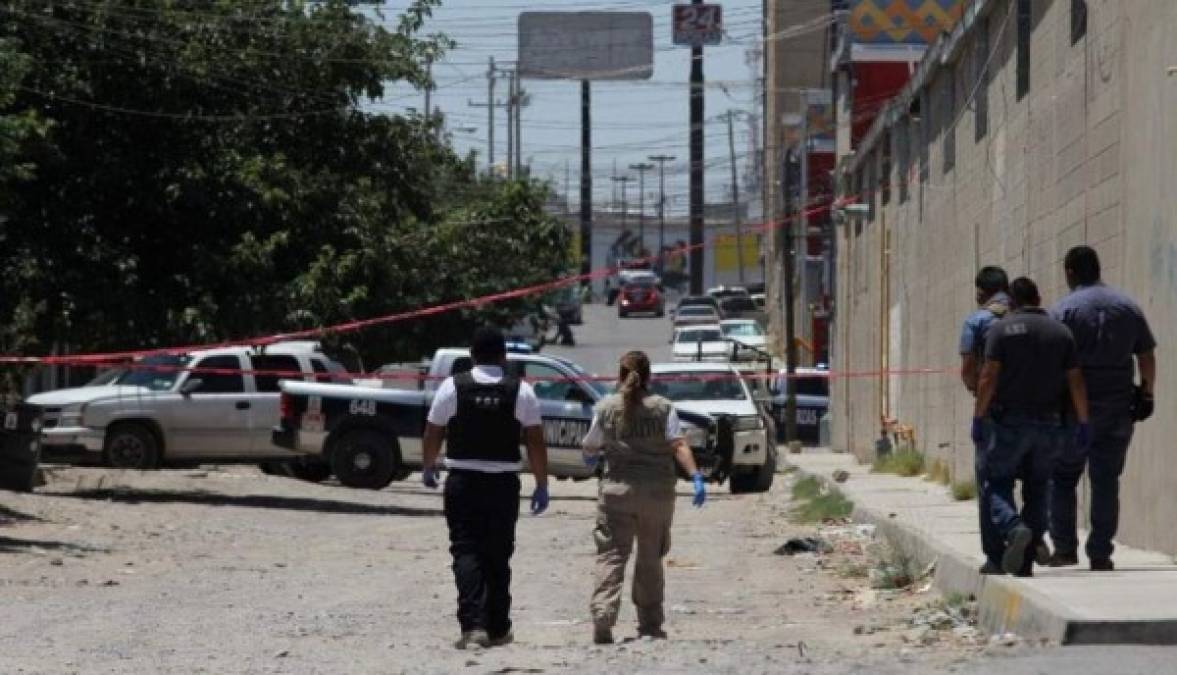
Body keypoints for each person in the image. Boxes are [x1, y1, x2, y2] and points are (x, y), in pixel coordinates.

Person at [422, 327, 551, 650]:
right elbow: (535, 440)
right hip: (503, 485)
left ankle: (473, 627)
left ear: (471, 354)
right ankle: (497, 627)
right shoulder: (521, 391)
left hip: (463, 482)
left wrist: (428, 465)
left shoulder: (453, 386)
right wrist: (541, 483)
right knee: (498, 554)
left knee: (466, 551)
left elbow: (433, 430)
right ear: (504, 356)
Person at [582, 351, 706, 644]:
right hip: (657, 494)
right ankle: (650, 623)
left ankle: (603, 616)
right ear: (649, 376)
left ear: (620, 375)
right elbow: (678, 444)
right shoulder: (663, 408)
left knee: (612, 555)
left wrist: (592, 460)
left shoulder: (606, 408)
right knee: (650, 556)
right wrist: (696, 476)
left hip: (617, 493)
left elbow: (590, 446)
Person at [1048, 246, 1157, 571]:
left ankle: (1065, 549)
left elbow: (1055, 362)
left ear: (1069, 273)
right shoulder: (1127, 307)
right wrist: (1147, 395)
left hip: (1074, 411)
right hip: (1117, 406)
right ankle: (1100, 553)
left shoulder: (1063, 311)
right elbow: (1146, 356)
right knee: (1106, 480)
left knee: (1063, 477)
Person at [973, 277, 1090, 576]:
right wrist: (1083, 421)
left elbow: (988, 377)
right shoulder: (1061, 333)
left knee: (996, 482)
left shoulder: (1000, 330)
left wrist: (978, 416)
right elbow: (1075, 380)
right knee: (1038, 488)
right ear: (1039, 297)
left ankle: (1014, 528)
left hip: (1008, 421)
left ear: (1011, 301)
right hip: (1050, 423)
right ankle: (1026, 558)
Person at [958, 266, 1012, 574]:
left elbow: (968, 368)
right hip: (1035, 412)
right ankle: (1029, 543)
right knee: (1033, 481)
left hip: (992, 411)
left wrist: (977, 396)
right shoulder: (1028, 317)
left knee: (990, 481)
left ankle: (996, 556)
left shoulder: (977, 321)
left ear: (981, 291)